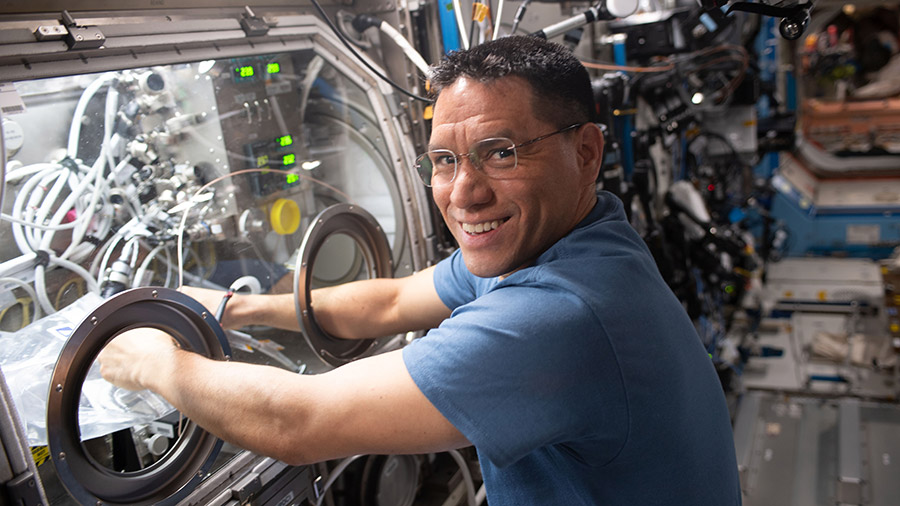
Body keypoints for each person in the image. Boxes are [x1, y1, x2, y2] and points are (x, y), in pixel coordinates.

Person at [100, 35, 742, 504]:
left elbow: (295, 423)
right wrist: (234, 309)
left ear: (587, 151)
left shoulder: (562, 315)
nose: (464, 193)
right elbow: (392, 302)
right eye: (443, 160)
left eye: (501, 153)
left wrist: (156, 363)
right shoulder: (579, 237)